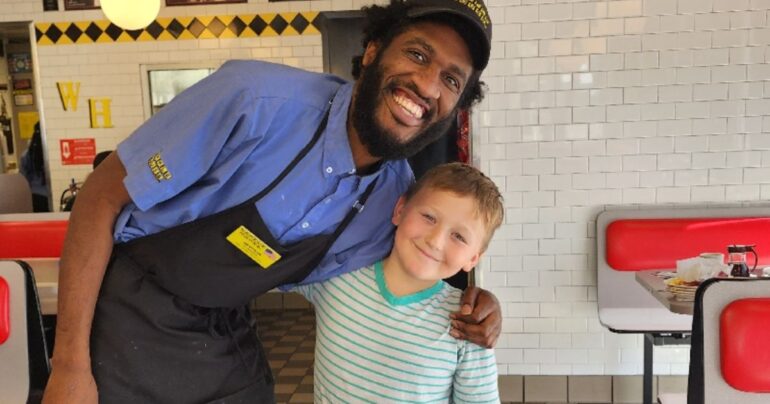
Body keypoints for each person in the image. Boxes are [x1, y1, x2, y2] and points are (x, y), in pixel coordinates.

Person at [42, 0, 501, 402]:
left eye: (451, 80)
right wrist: (67, 368)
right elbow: (100, 197)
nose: (427, 85)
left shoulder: (394, 202)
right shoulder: (253, 99)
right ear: (375, 50)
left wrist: (477, 303)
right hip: (126, 312)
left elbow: (411, 270)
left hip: (222, 330)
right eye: (418, 54)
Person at [293, 162, 503, 402]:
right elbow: (270, 273)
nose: (435, 241)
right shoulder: (338, 275)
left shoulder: (468, 326)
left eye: (458, 236)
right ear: (400, 210)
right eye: (429, 217)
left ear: (473, 258)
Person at [19, 122, 51, 212]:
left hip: (33, 195)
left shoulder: (27, 154)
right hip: (47, 195)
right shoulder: (51, 155)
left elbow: (23, 178)